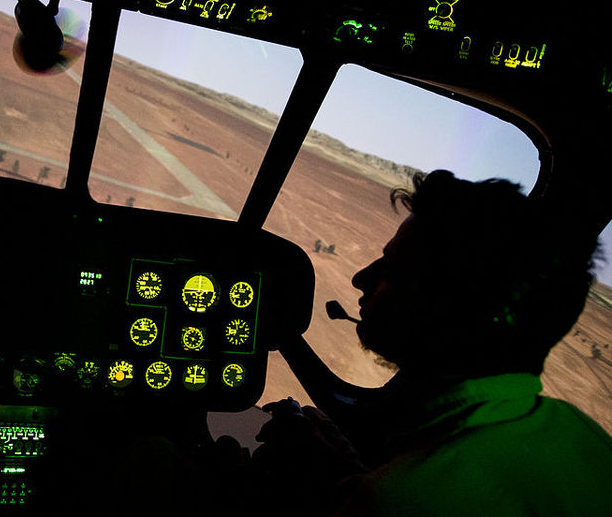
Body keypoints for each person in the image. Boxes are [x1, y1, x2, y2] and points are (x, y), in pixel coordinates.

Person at [254, 170, 612, 516]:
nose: (360, 278)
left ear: (454, 308)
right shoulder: (580, 434)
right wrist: (348, 471)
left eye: (392, 270)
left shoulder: (402, 501)